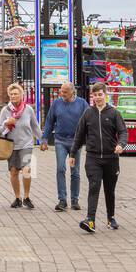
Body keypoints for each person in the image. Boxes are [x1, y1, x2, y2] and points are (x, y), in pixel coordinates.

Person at [69, 82, 127, 232]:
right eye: (95, 95)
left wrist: (121, 144)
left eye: (100, 94)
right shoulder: (88, 113)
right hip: (93, 158)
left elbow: (123, 132)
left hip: (111, 158)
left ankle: (111, 217)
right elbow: (79, 135)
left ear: (105, 95)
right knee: (94, 186)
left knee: (109, 189)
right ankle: (91, 220)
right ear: (92, 97)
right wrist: (73, 154)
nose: (98, 98)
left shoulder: (114, 113)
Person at [41, 81, 85, 211]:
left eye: (65, 92)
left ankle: (75, 200)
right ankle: (62, 200)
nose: (62, 94)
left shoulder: (82, 104)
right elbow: (49, 121)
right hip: (60, 141)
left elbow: (89, 121)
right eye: (61, 91)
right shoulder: (57, 103)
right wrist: (44, 139)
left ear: (72, 92)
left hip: (75, 142)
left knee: (75, 171)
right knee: (60, 168)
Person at [0, 82, 42, 209]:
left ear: (21, 95)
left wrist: (42, 140)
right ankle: (17, 198)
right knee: (13, 172)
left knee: (27, 170)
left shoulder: (28, 109)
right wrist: (7, 123)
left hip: (26, 144)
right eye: (11, 94)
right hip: (11, 145)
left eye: (16, 93)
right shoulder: (5, 110)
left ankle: (27, 197)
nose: (13, 96)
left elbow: (35, 126)